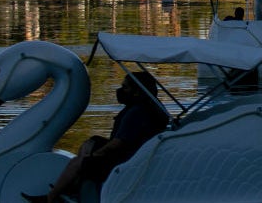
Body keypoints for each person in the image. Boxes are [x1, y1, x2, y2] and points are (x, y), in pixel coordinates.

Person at [22, 71, 169, 202]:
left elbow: (118, 143)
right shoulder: (152, 108)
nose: (120, 91)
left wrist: (96, 155)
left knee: (79, 162)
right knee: (91, 143)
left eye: (125, 88)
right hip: (136, 155)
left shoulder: (136, 113)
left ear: (137, 92)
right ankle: (70, 187)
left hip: (126, 162)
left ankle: (51, 198)